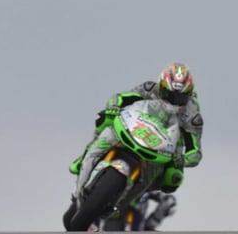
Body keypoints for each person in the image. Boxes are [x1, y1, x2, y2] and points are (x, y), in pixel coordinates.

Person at [69, 62, 204, 194]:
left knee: (173, 178)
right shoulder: (149, 88)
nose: (173, 101)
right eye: (169, 94)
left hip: (169, 144)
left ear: (189, 94)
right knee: (105, 119)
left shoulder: (192, 115)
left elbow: (195, 151)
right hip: (140, 125)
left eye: (181, 97)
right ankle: (86, 155)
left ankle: (136, 196)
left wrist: (184, 159)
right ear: (161, 86)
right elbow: (120, 98)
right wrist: (114, 108)